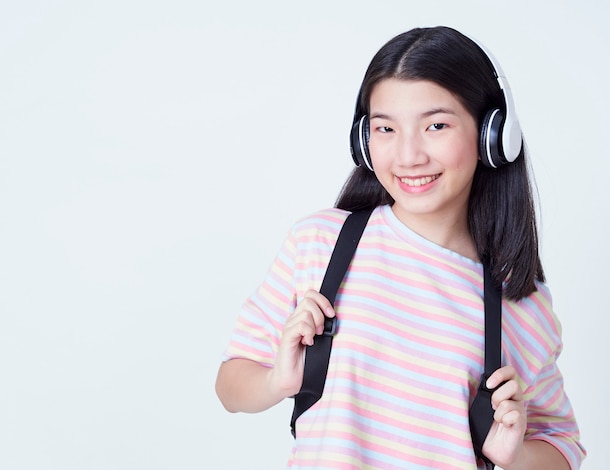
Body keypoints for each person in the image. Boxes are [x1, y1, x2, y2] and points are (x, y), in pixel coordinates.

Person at [215, 26, 585, 469]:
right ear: (364, 141)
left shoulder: (522, 305)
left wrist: (517, 455)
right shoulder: (319, 244)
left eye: (436, 125)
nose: (408, 155)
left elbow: (562, 447)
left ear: (492, 135)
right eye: (386, 128)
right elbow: (230, 385)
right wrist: (277, 380)